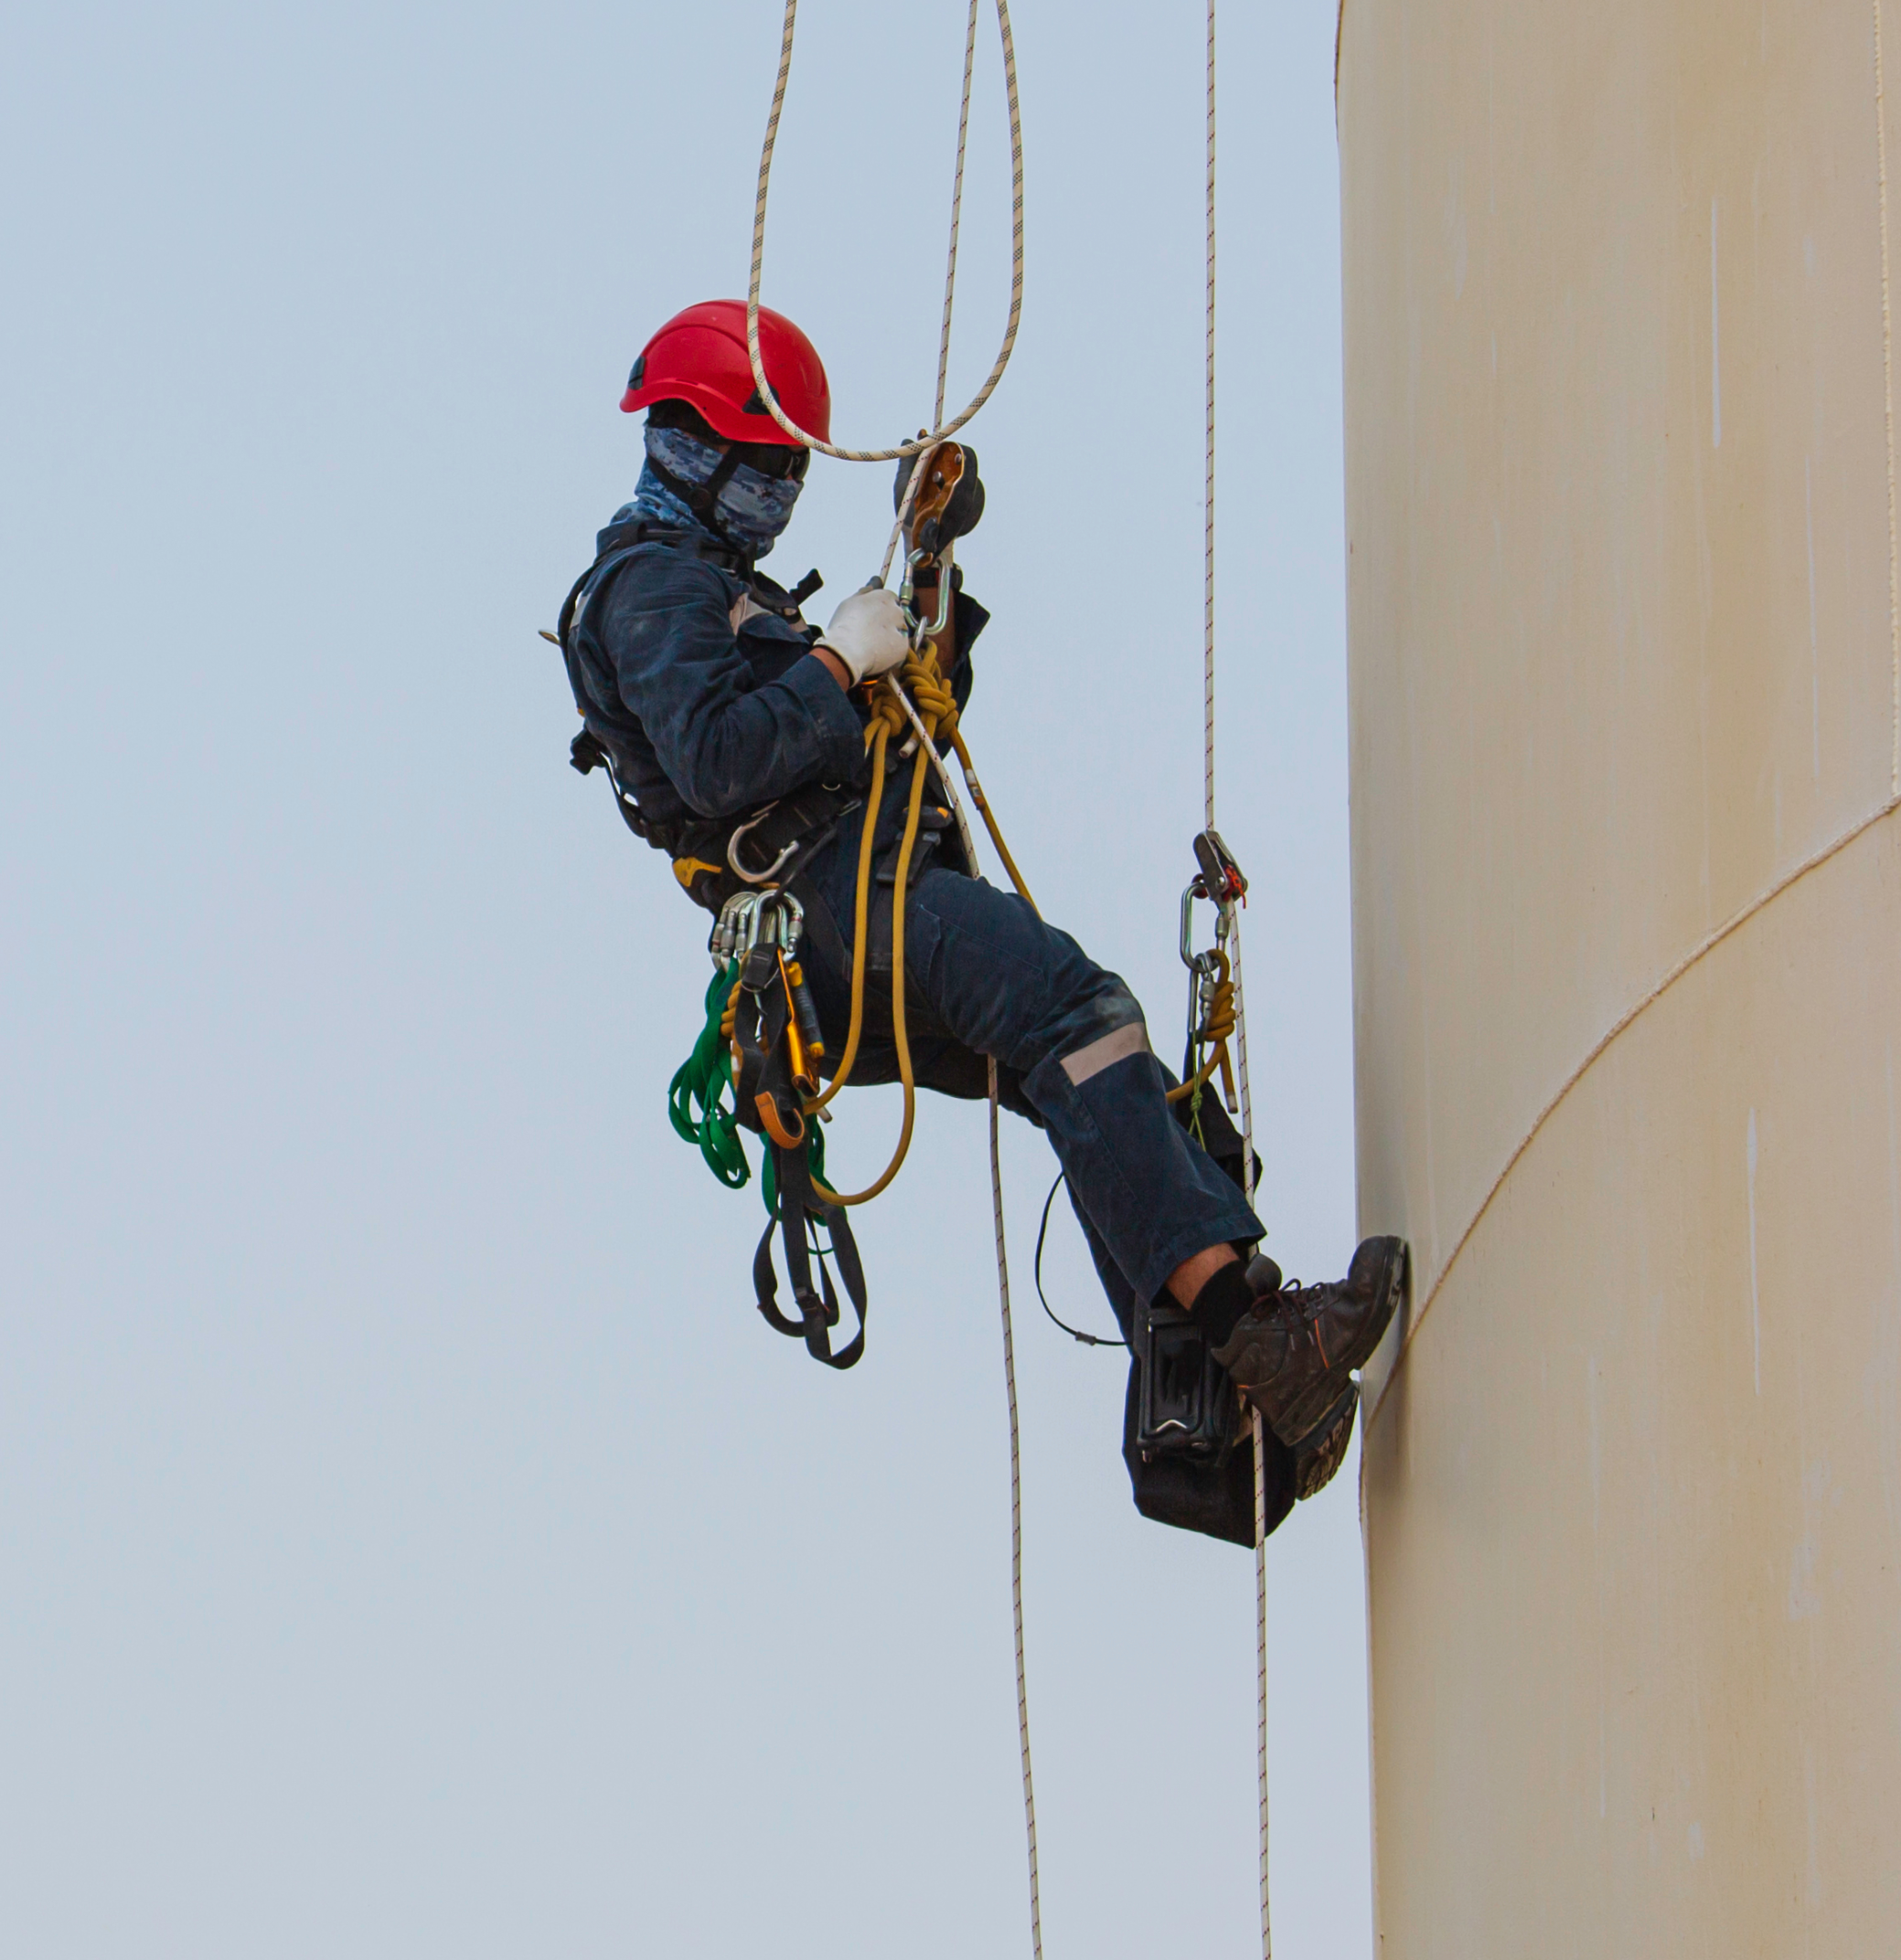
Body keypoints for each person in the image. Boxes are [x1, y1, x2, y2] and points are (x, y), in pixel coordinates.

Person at [555, 298, 1404, 1537]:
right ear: (714, 452)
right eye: (775, 464)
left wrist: (924, 560)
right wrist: (838, 663)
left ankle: (1222, 1428)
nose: (783, 489)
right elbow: (721, 759)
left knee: (1090, 1077)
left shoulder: (718, 592)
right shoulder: (649, 587)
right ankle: (1260, 1341)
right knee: (1075, 1014)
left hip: (852, 903)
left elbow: (901, 722)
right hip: (830, 903)